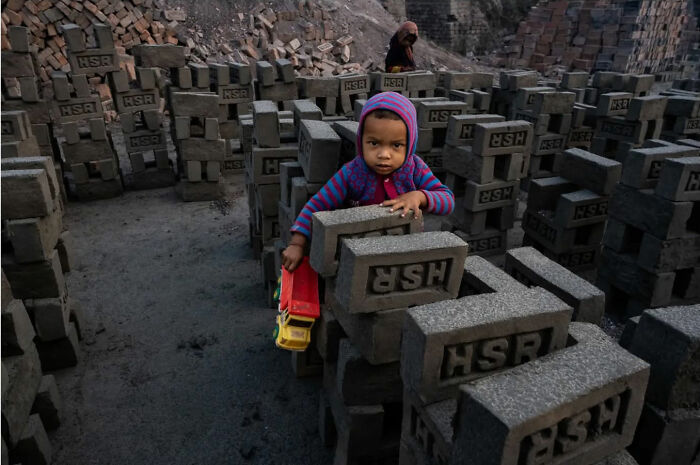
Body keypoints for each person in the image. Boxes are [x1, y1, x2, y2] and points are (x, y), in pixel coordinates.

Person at [281, 92, 454, 272]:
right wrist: (297, 244)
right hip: (359, 255)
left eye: (396, 145)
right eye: (373, 143)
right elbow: (318, 204)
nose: (384, 154)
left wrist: (420, 196)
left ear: (410, 143)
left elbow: (447, 201)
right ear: (361, 140)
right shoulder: (352, 173)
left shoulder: (415, 169)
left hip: (406, 254)